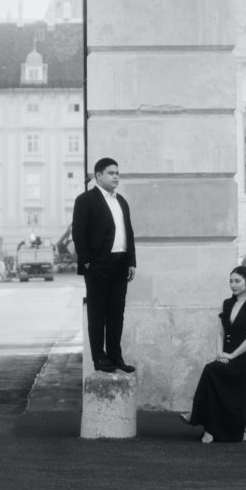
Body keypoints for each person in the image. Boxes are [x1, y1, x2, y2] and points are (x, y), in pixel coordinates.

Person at [71, 157, 136, 373]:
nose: (116, 176)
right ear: (98, 175)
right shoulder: (85, 200)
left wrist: (131, 261)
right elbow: (78, 233)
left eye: (117, 172)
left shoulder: (121, 201)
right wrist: (88, 261)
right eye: (111, 173)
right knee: (98, 314)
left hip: (120, 264)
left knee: (117, 314)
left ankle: (115, 357)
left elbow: (129, 233)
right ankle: (99, 358)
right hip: (98, 266)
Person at [184, 265, 246, 444]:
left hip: (242, 357)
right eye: (231, 281)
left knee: (211, 370)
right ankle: (207, 426)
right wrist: (220, 352)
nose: (233, 285)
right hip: (226, 354)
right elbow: (220, 332)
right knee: (213, 371)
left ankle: (197, 415)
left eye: (237, 281)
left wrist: (232, 355)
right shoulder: (226, 304)